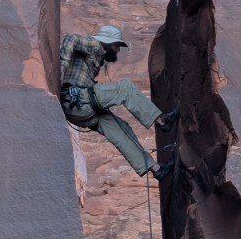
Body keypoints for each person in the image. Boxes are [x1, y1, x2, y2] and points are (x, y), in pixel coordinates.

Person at [59, 25, 179, 180]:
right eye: (116, 45)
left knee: (122, 129)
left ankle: (156, 169)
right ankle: (163, 121)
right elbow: (71, 37)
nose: (118, 50)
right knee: (125, 88)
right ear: (107, 43)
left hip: (78, 109)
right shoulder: (95, 45)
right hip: (76, 99)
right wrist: (63, 62)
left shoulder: (98, 55)